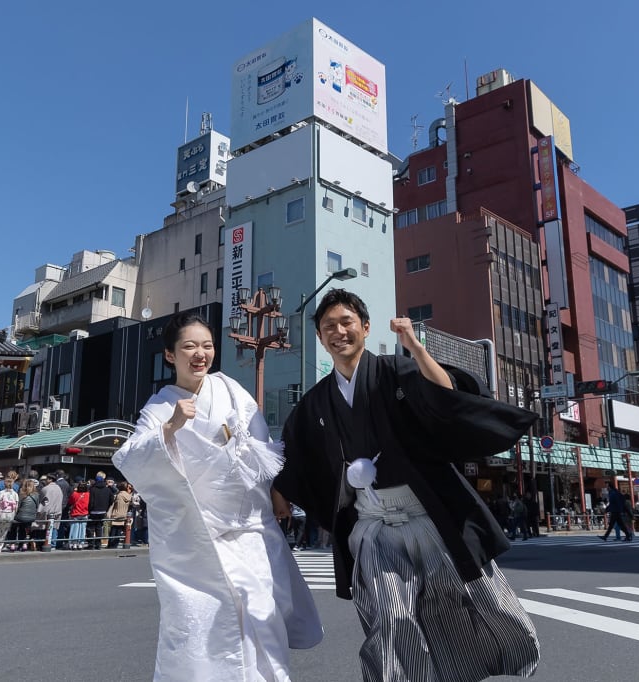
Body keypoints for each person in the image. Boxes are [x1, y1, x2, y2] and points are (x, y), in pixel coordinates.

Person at [274, 289, 539, 681]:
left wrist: (414, 347)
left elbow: (446, 396)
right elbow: (293, 456)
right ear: (319, 337)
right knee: (390, 615)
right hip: (373, 525)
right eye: (328, 326)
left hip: (429, 514)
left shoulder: (398, 370)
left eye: (347, 322)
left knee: (475, 602)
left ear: (365, 327)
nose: (338, 331)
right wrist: (277, 494)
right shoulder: (315, 403)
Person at [113, 312, 321, 682]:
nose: (200, 354)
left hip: (248, 527)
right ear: (169, 355)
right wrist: (170, 428)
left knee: (262, 610)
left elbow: (262, 447)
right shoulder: (159, 407)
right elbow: (130, 457)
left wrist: (276, 490)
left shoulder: (230, 390)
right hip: (196, 539)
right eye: (189, 346)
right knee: (201, 626)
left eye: (207, 346)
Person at [0, 477, 19, 553]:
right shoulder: (15, 494)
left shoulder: (1, 493)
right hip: (10, 515)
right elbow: (17, 505)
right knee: (4, 532)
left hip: (0, 515)